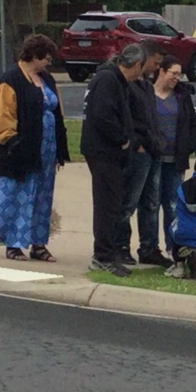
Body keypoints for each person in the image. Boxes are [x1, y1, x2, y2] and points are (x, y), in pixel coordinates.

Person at [0, 34, 69, 262]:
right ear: (35, 55)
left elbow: (57, 112)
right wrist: (11, 142)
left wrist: (59, 148)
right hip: (20, 149)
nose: (49, 62)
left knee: (41, 197)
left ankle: (38, 244)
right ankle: (14, 243)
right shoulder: (10, 79)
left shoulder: (47, 79)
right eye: (46, 58)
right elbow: (1, 116)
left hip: (46, 150)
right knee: (18, 195)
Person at [80, 43, 146, 277]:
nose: (141, 76)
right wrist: (122, 139)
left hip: (106, 152)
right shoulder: (108, 80)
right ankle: (103, 256)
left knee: (112, 203)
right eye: (142, 70)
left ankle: (107, 253)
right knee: (107, 205)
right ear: (136, 65)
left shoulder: (112, 79)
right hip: (103, 151)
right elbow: (102, 115)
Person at [112, 41, 168, 266]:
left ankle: (149, 246)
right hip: (138, 152)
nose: (156, 68)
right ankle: (120, 246)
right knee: (128, 203)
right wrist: (136, 144)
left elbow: (151, 118)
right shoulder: (127, 85)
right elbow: (126, 119)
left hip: (153, 150)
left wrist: (158, 141)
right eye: (155, 63)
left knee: (151, 203)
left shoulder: (145, 85)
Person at [152, 55, 196, 256]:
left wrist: (187, 148)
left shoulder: (182, 96)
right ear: (161, 71)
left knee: (172, 205)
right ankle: (149, 247)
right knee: (151, 204)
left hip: (175, 161)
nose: (177, 78)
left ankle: (174, 248)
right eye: (174, 73)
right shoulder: (146, 94)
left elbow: (193, 125)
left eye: (179, 74)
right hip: (152, 161)